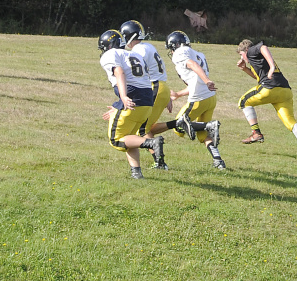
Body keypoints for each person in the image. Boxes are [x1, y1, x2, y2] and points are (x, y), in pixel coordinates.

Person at [97, 29, 164, 180]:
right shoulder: (133, 54)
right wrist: (118, 104)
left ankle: (152, 143)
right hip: (147, 100)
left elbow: (119, 72)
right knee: (130, 137)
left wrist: (124, 97)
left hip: (133, 98)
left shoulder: (111, 54)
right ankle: (136, 172)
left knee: (116, 139)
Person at [235, 39, 297, 161]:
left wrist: (272, 66)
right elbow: (259, 77)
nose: (242, 58)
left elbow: (263, 47)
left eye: (241, 55)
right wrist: (245, 69)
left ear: (245, 50)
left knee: (243, 101)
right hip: (285, 91)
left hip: (269, 89)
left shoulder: (251, 51)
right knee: (290, 121)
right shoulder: (256, 59)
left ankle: (256, 133)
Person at [160, 31, 226, 169]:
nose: (171, 52)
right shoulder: (198, 53)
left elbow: (191, 64)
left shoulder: (180, 53)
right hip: (210, 99)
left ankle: (209, 125)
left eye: (171, 48)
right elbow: (195, 81)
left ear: (175, 45)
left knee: (179, 126)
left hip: (199, 99)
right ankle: (219, 161)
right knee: (203, 135)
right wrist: (178, 94)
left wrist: (207, 80)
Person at [119, 20, 172, 170]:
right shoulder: (148, 46)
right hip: (162, 87)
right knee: (145, 127)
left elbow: (139, 74)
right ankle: (160, 161)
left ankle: (160, 163)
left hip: (154, 86)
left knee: (142, 130)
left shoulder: (138, 50)